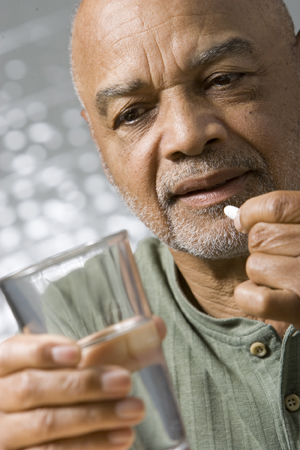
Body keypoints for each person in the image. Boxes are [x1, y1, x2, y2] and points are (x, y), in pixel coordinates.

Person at [1, 0, 300, 448]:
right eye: (133, 113)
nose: (186, 136)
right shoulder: (76, 324)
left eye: (224, 80)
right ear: (99, 144)